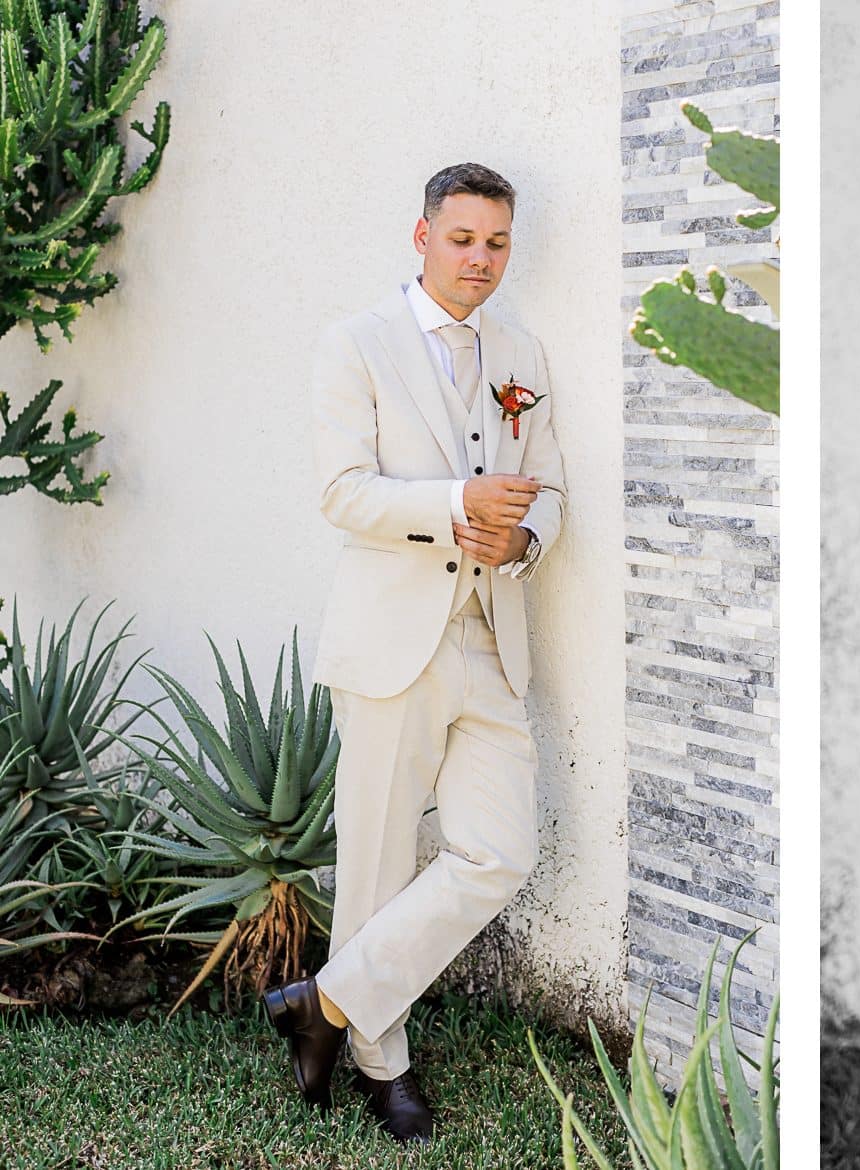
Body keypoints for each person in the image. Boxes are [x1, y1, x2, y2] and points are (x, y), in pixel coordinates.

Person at [262, 162, 567, 1143]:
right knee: (379, 863)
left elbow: (549, 490)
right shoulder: (355, 344)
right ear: (422, 236)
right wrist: (452, 508)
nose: (480, 259)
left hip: (490, 638)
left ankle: (326, 1000)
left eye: (497, 243)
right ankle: (381, 1064)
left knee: (499, 851)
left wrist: (522, 540)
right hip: (391, 642)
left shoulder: (521, 352)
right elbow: (342, 493)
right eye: (463, 238)